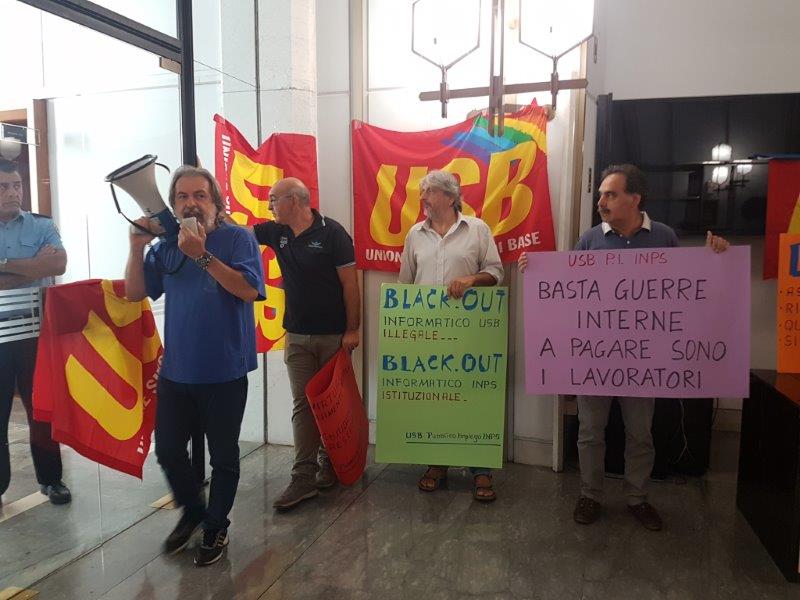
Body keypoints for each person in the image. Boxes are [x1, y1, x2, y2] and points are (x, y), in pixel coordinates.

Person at [519, 163, 729, 530]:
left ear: (635, 198)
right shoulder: (590, 239)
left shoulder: (663, 237)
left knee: (640, 433)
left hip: (642, 357)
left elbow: (683, 289)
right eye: (600, 194)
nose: (601, 201)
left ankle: (638, 497)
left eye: (610, 194)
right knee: (589, 431)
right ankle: (590, 495)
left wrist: (716, 258)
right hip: (594, 356)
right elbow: (569, 290)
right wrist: (536, 271)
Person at [124, 165, 264, 566]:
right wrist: (136, 247)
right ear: (173, 205)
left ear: (216, 202)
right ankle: (194, 511)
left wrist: (201, 256)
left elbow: (247, 289)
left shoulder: (237, 238)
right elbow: (134, 292)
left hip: (224, 370)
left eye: (200, 195)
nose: (191, 203)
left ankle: (216, 525)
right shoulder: (166, 247)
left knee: (223, 457)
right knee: (168, 450)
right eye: (182, 197)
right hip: (177, 372)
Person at [248, 177, 360, 510]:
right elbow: (238, 234)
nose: (270, 205)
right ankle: (303, 476)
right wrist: (210, 213)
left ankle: (331, 462)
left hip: (332, 336)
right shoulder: (276, 232)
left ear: (294, 201)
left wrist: (352, 330)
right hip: (296, 336)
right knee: (303, 404)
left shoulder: (333, 233)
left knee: (332, 403)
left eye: (274, 199)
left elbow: (350, 285)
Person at [398, 170, 504, 502]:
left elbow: (496, 273)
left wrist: (471, 280)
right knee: (434, 397)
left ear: (450, 196)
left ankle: (481, 468)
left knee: (473, 398)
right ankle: (437, 463)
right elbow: (405, 285)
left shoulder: (477, 229)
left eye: (428, 192)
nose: (423, 199)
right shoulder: (415, 234)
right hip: (426, 334)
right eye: (422, 193)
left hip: (470, 333)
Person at [0, 158, 70, 505]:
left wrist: (4, 267)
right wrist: (33, 267)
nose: (13, 193)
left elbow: (58, 263)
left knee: (41, 409)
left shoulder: (41, 225)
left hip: (34, 333)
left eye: (17, 185)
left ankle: (51, 479)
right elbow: (43, 266)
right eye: (3, 187)